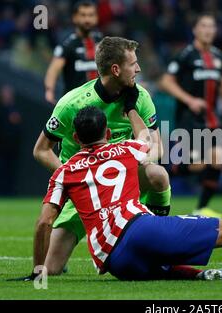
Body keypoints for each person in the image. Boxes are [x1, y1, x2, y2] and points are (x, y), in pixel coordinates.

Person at [28, 106, 222, 281]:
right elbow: (147, 140)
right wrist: (131, 110)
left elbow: (44, 223)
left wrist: (39, 269)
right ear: (107, 133)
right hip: (138, 229)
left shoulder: (64, 171)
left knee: (158, 265)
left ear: (74, 137)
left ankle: (205, 276)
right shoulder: (122, 149)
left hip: (113, 263)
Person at [32, 36, 171, 275]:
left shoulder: (141, 97)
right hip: (86, 188)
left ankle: (157, 239)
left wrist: (141, 159)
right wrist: (71, 181)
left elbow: (157, 147)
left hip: (122, 183)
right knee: (50, 269)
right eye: (133, 64)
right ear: (116, 69)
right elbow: (41, 150)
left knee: (157, 174)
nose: (138, 68)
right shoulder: (72, 104)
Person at [159, 13, 222, 218]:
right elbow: (166, 82)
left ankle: (202, 207)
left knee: (218, 158)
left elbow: (220, 81)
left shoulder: (217, 56)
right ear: (195, 30)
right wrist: (190, 100)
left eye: (211, 26)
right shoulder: (185, 54)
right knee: (193, 165)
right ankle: (164, 172)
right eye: (203, 26)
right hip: (190, 120)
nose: (208, 30)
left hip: (212, 119)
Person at [44, 1, 102, 105]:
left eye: (90, 15)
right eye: (83, 15)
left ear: (96, 18)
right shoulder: (68, 44)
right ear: (75, 17)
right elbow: (53, 69)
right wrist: (49, 90)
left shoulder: (102, 42)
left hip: (99, 104)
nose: (87, 19)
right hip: (74, 105)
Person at [0, 84, 22, 196]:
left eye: (9, 94)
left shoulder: (15, 109)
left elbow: (19, 127)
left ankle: (10, 192)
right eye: (6, 93)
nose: (8, 96)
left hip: (13, 148)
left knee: (11, 171)